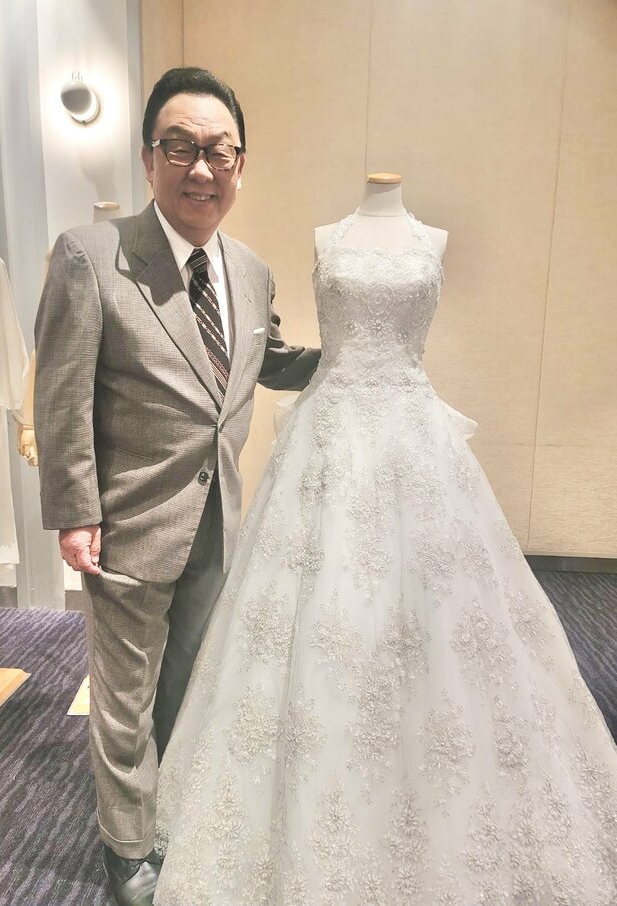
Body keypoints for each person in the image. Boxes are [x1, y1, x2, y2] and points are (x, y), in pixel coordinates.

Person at [152, 178, 617, 904]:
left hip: (414, 438)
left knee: (435, 629)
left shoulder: (432, 240)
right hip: (328, 439)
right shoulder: (328, 237)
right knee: (316, 615)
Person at [33, 67, 320, 906]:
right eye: (181, 147)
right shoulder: (92, 255)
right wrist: (76, 512)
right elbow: (62, 393)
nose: (202, 168)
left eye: (219, 152)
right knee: (123, 698)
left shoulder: (252, 271)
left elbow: (261, 361)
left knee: (190, 678)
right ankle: (127, 848)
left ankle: (173, 807)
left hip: (219, 518)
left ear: (241, 166)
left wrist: (362, 358)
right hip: (128, 520)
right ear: (149, 158)